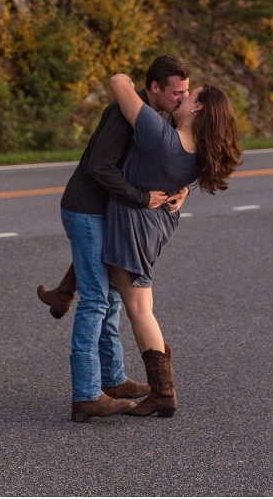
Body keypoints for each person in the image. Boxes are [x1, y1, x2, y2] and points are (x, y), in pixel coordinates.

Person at [39, 56, 192, 423]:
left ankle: (112, 379)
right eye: (176, 92)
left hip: (109, 214)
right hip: (87, 209)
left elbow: (159, 164)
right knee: (96, 300)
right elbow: (99, 167)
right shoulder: (123, 114)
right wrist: (141, 199)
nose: (181, 100)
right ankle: (86, 396)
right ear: (154, 88)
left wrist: (182, 187)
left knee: (110, 298)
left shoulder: (158, 117)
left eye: (186, 92)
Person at [103, 73, 242, 418]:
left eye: (187, 95)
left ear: (198, 106)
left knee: (138, 308)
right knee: (130, 302)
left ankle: (163, 393)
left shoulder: (160, 136)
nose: (180, 99)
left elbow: (119, 81)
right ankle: (136, 383)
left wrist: (154, 92)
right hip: (154, 227)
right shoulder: (198, 153)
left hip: (133, 227)